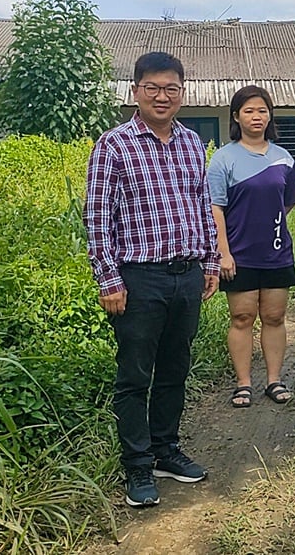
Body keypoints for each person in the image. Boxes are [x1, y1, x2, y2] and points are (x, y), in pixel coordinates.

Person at [84, 51, 220, 507]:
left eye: (171, 89)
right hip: (138, 279)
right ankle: (137, 467)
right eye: (153, 88)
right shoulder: (114, 144)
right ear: (135, 91)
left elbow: (202, 206)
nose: (162, 97)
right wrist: (109, 280)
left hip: (187, 276)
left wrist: (211, 261)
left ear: (183, 92)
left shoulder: (191, 143)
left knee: (175, 371)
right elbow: (98, 218)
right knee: (135, 375)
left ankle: (166, 451)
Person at [207, 85, 295, 409]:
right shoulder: (223, 159)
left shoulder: (283, 158)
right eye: (248, 110)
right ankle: (243, 383)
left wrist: (270, 225)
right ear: (236, 116)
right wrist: (224, 251)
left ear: (269, 115)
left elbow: (288, 202)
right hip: (239, 253)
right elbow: (215, 207)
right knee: (242, 317)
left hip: (276, 252)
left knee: (275, 317)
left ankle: (274, 380)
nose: (256, 116)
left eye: (262, 110)